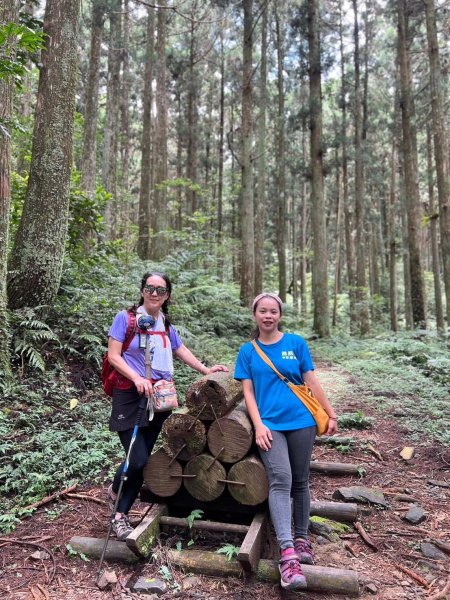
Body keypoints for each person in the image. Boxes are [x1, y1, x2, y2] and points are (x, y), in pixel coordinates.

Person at [107, 271, 228, 541]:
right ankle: (118, 502)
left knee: (142, 458)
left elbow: (180, 349)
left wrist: (205, 369)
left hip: (160, 398)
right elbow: (114, 356)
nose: (154, 293)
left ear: (167, 296)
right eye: (149, 288)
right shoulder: (125, 320)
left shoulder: (165, 324)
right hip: (130, 395)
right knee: (136, 459)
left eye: (160, 290)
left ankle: (119, 508)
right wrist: (137, 377)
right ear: (142, 291)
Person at [234, 293, 338, 591]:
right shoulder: (248, 351)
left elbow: (311, 380)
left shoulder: (295, 343)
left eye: (273, 311)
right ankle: (288, 553)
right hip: (271, 425)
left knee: (301, 480)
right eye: (262, 311)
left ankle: (304, 538)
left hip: (302, 421)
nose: (268, 316)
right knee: (281, 478)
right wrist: (258, 426)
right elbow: (249, 393)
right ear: (254, 315)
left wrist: (330, 413)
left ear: (280, 315)